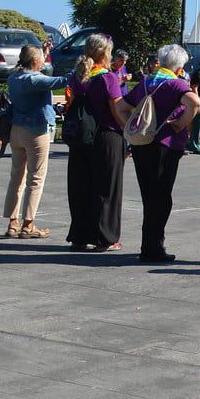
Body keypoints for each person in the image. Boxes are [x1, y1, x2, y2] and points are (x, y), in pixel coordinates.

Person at [122, 45, 199, 264]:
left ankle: (150, 243)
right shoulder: (176, 84)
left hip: (142, 143)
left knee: (148, 195)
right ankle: (153, 246)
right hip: (165, 144)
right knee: (162, 196)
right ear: (179, 66)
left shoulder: (146, 82)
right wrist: (181, 124)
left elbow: (121, 106)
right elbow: (195, 102)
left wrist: (129, 129)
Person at [64, 33, 129, 253]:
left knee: (80, 186)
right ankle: (106, 237)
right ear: (104, 53)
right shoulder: (107, 78)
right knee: (106, 189)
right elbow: (116, 110)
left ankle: (80, 236)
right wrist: (129, 134)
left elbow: (70, 103)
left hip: (81, 137)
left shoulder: (78, 75)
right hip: (106, 136)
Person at [4, 44, 70, 238]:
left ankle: (12, 223)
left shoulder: (13, 77)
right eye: (41, 59)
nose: (44, 62)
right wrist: (83, 66)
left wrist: (44, 52)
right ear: (35, 62)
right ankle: (29, 223)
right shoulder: (34, 79)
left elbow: (37, 71)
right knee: (36, 178)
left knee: (16, 178)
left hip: (16, 130)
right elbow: (61, 81)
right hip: (36, 131)